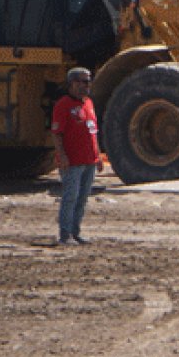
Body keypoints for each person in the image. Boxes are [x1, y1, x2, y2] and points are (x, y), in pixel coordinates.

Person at [51, 67, 103, 245]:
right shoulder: (63, 105)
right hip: (72, 162)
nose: (86, 85)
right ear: (72, 83)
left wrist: (98, 156)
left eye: (88, 81)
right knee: (70, 196)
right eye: (82, 81)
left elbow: (92, 131)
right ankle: (65, 234)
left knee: (82, 198)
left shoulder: (88, 103)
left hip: (89, 160)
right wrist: (62, 156)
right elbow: (57, 134)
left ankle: (76, 231)